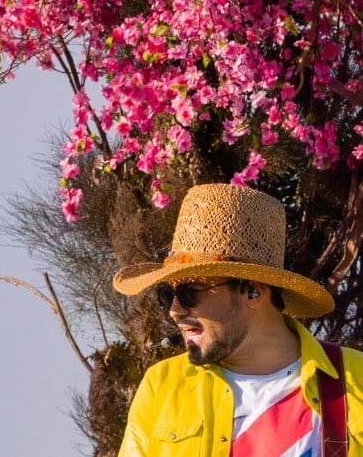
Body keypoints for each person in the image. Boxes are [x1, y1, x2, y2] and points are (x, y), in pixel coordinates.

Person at [113, 183, 362, 456]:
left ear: (253, 291)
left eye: (190, 292)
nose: (174, 310)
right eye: (166, 294)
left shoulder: (355, 378)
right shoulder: (161, 385)